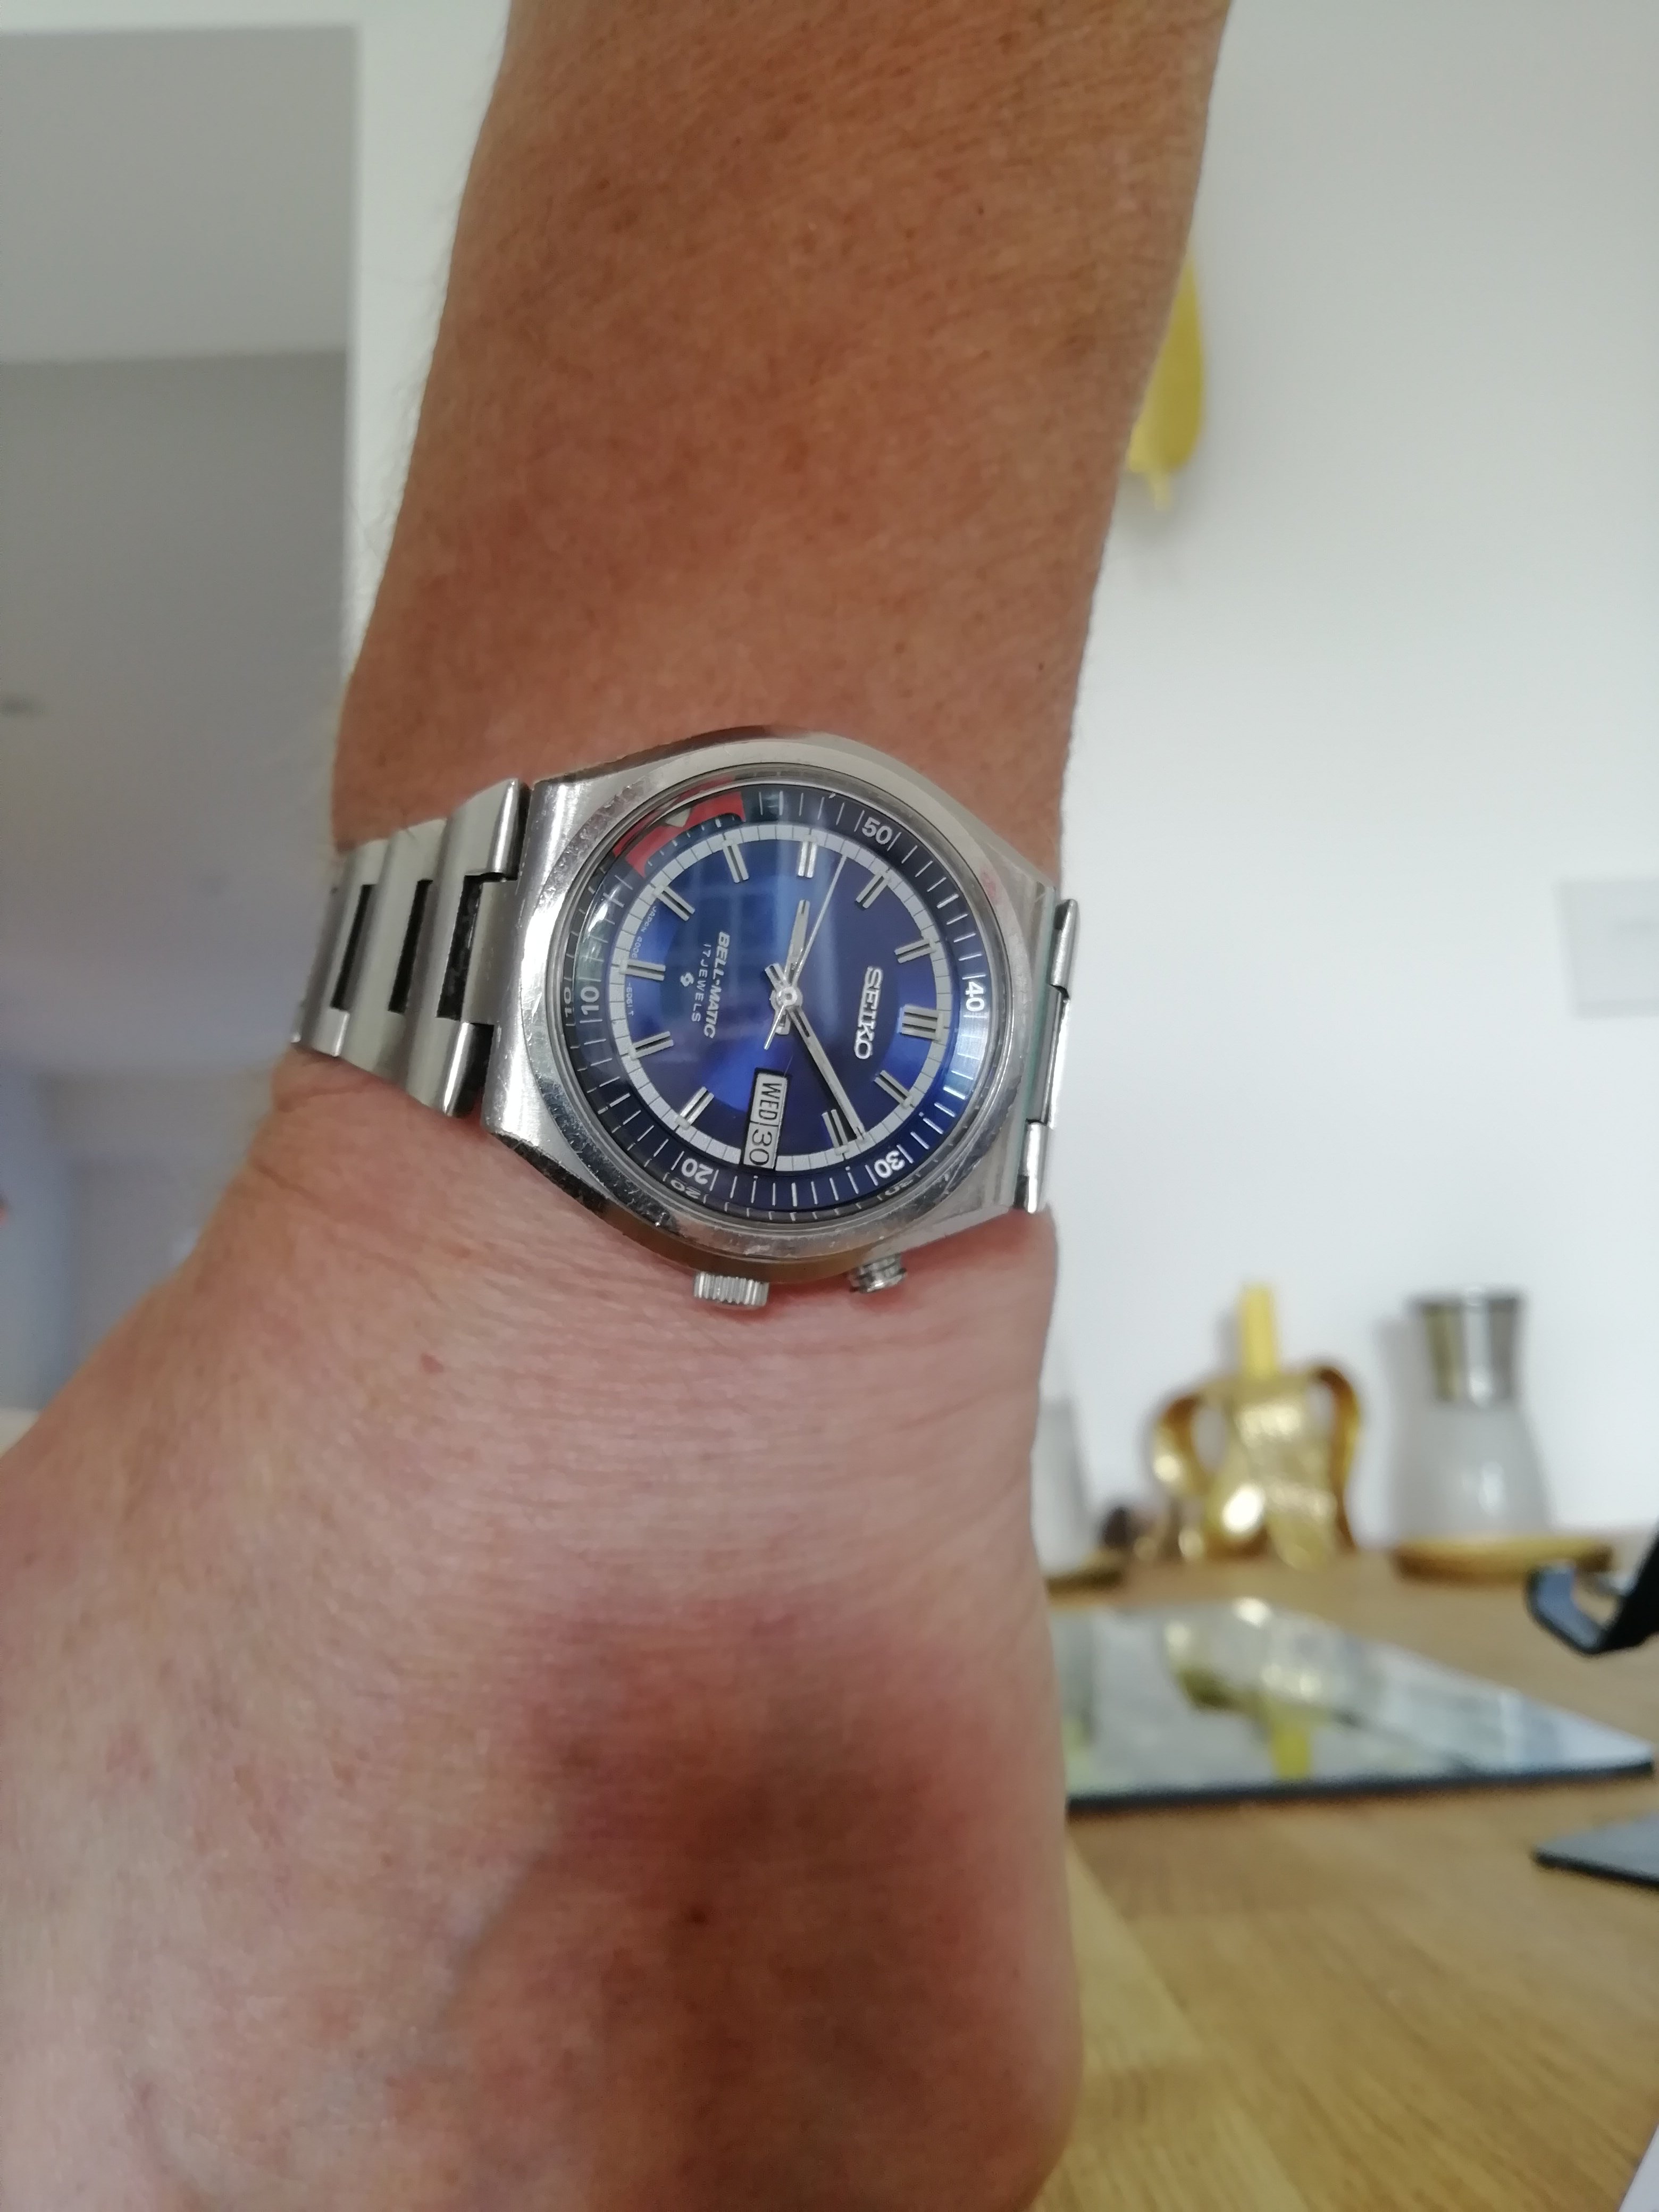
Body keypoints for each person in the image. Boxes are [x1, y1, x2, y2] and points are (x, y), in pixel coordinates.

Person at [0, 2, 1227, 2202]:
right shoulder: (542, 937)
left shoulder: (945, 1029)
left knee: (629, 1395)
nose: (772, 1003)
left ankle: (632, 1514)